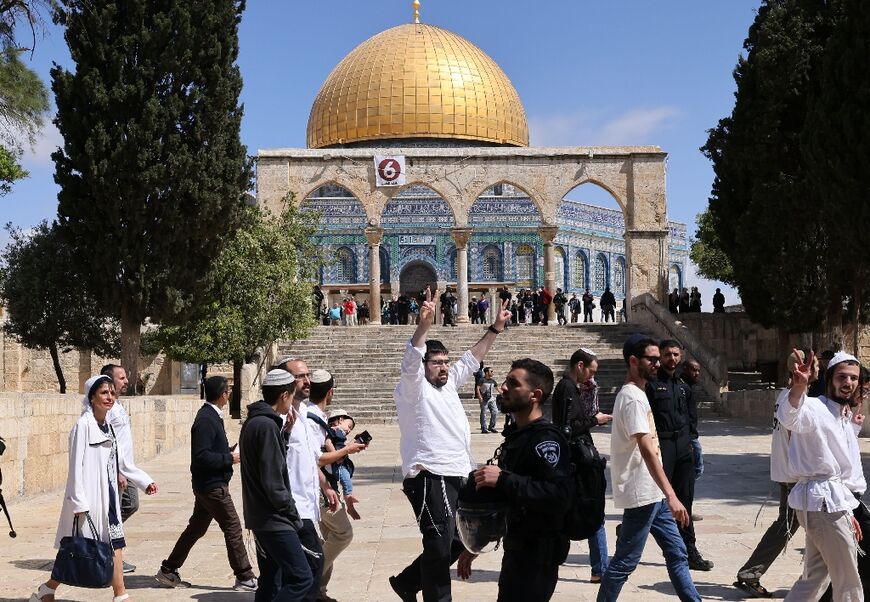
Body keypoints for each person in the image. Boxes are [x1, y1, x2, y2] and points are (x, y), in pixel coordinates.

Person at [389, 287, 511, 602]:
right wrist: (423, 325)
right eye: (436, 363)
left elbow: (472, 358)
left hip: (459, 473)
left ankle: (406, 581)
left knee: (466, 537)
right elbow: (411, 358)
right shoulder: (413, 389)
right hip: (430, 475)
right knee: (439, 543)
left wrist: (495, 328)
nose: (443, 367)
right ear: (424, 366)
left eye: (445, 362)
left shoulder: (448, 384)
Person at [31, 375, 155, 602]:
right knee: (80, 548)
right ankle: (47, 589)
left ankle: (120, 594)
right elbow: (76, 466)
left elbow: (121, 462)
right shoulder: (83, 426)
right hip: (90, 496)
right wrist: (79, 502)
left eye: (112, 393)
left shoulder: (108, 427)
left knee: (115, 542)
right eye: (104, 393)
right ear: (92, 397)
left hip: (108, 495)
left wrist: (144, 481)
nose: (110, 397)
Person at [457, 359, 572, 602]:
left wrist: (503, 479)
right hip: (518, 549)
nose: (503, 388)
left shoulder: (546, 440)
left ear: (534, 395)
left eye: (513, 383)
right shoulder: (519, 436)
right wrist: (477, 545)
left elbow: (558, 495)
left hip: (538, 555)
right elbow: (512, 500)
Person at [597, 335, 700, 602]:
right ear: (633, 361)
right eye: (651, 359)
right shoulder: (632, 398)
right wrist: (672, 495)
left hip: (653, 492)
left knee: (677, 552)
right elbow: (646, 448)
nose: (657, 364)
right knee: (624, 564)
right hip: (642, 493)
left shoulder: (639, 394)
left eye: (658, 359)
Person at [776, 351, 864, 600]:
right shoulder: (814, 407)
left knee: (815, 576)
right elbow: (789, 416)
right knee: (848, 580)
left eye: (854, 378)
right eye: (842, 377)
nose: (848, 383)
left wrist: (846, 508)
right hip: (823, 502)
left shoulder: (842, 414)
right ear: (829, 378)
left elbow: (839, 459)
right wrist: (799, 387)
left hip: (830, 502)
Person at [155, 376, 257, 591]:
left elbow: (211, 450)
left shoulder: (212, 416)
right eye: (228, 391)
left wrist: (228, 451)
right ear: (223, 395)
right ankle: (245, 576)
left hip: (207, 484)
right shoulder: (206, 419)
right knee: (232, 526)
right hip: (212, 485)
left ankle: (168, 570)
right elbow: (201, 456)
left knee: (196, 528)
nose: (229, 394)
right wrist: (230, 458)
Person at [733, 349, 813, 598]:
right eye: (814, 365)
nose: (817, 370)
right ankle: (751, 573)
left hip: (788, 473)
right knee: (790, 526)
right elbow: (796, 439)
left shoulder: (784, 395)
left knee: (791, 526)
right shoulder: (796, 400)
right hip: (796, 477)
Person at [239, 369, 313, 602]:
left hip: (260, 517)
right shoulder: (267, 426)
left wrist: (286, 435)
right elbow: (273, 482)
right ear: (284, 395)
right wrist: (293, 515)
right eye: (291, 396)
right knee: (301, 578)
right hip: (274, 519)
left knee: (270, 580)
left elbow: (269, 461)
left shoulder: (256, 422)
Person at [646, 340, 712, 571]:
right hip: (662, 446)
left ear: (681, 357)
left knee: (685, 501)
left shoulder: (684, 386)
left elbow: (690, 415)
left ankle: (689, 551)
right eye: (667, 355)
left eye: (675, 354)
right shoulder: (652, 385)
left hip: (683, 446)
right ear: (660, 357)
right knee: (655, 500)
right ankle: (629, 532)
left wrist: (691, 441)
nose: (671, 359)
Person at [278, 359, 340, 602]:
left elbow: (313, 458)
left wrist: (326, 487)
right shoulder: (278, 419)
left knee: (293, 570)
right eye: (300, 377)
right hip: (291, 505)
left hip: (308, 501)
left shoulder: (303, 413)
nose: (307, 381)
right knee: (313, 565)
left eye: (307, 375)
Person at [551, 348, 612, 583]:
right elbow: (567, 428)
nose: (592, 377)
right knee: (594, 512)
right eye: (591, 371)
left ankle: (599, 567)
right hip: (578, 459)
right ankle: (600, 568)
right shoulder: (566, 387)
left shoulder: (571, 388)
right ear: (579, 366)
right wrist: (594, 420)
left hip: (577, 458)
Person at [305, 369, 365, 602]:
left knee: (329, 536)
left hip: (323, 489)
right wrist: (346, 450)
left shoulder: (315, 417)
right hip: (319, 490)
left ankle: (318, 591)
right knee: (343, 534)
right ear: (330, 392)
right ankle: (311, 576)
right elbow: (315, 461)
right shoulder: (311, 420)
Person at [101, 364, 156, 574]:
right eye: (121, 378)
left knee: (131, 504)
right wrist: (117, 471)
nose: (126, 382)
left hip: (127, 468)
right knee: (113, 513)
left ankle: (104, 543)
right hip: (117, 471)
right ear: (109, 380)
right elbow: (107, 442)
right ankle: (111, 554)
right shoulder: (104, 407)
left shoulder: (117, 405)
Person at [476, 367, 499, 434]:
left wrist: (504, 394)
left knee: (495, 411)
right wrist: (480, 397)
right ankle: (484, 428)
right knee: (484, 413)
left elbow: (498, 389)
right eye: (491, 371)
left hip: (491, 398)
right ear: (486, 372)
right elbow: (477, 388)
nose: (492, 373)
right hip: (484, 399)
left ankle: (491, 427)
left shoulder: (492, 381)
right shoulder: (482, 380)